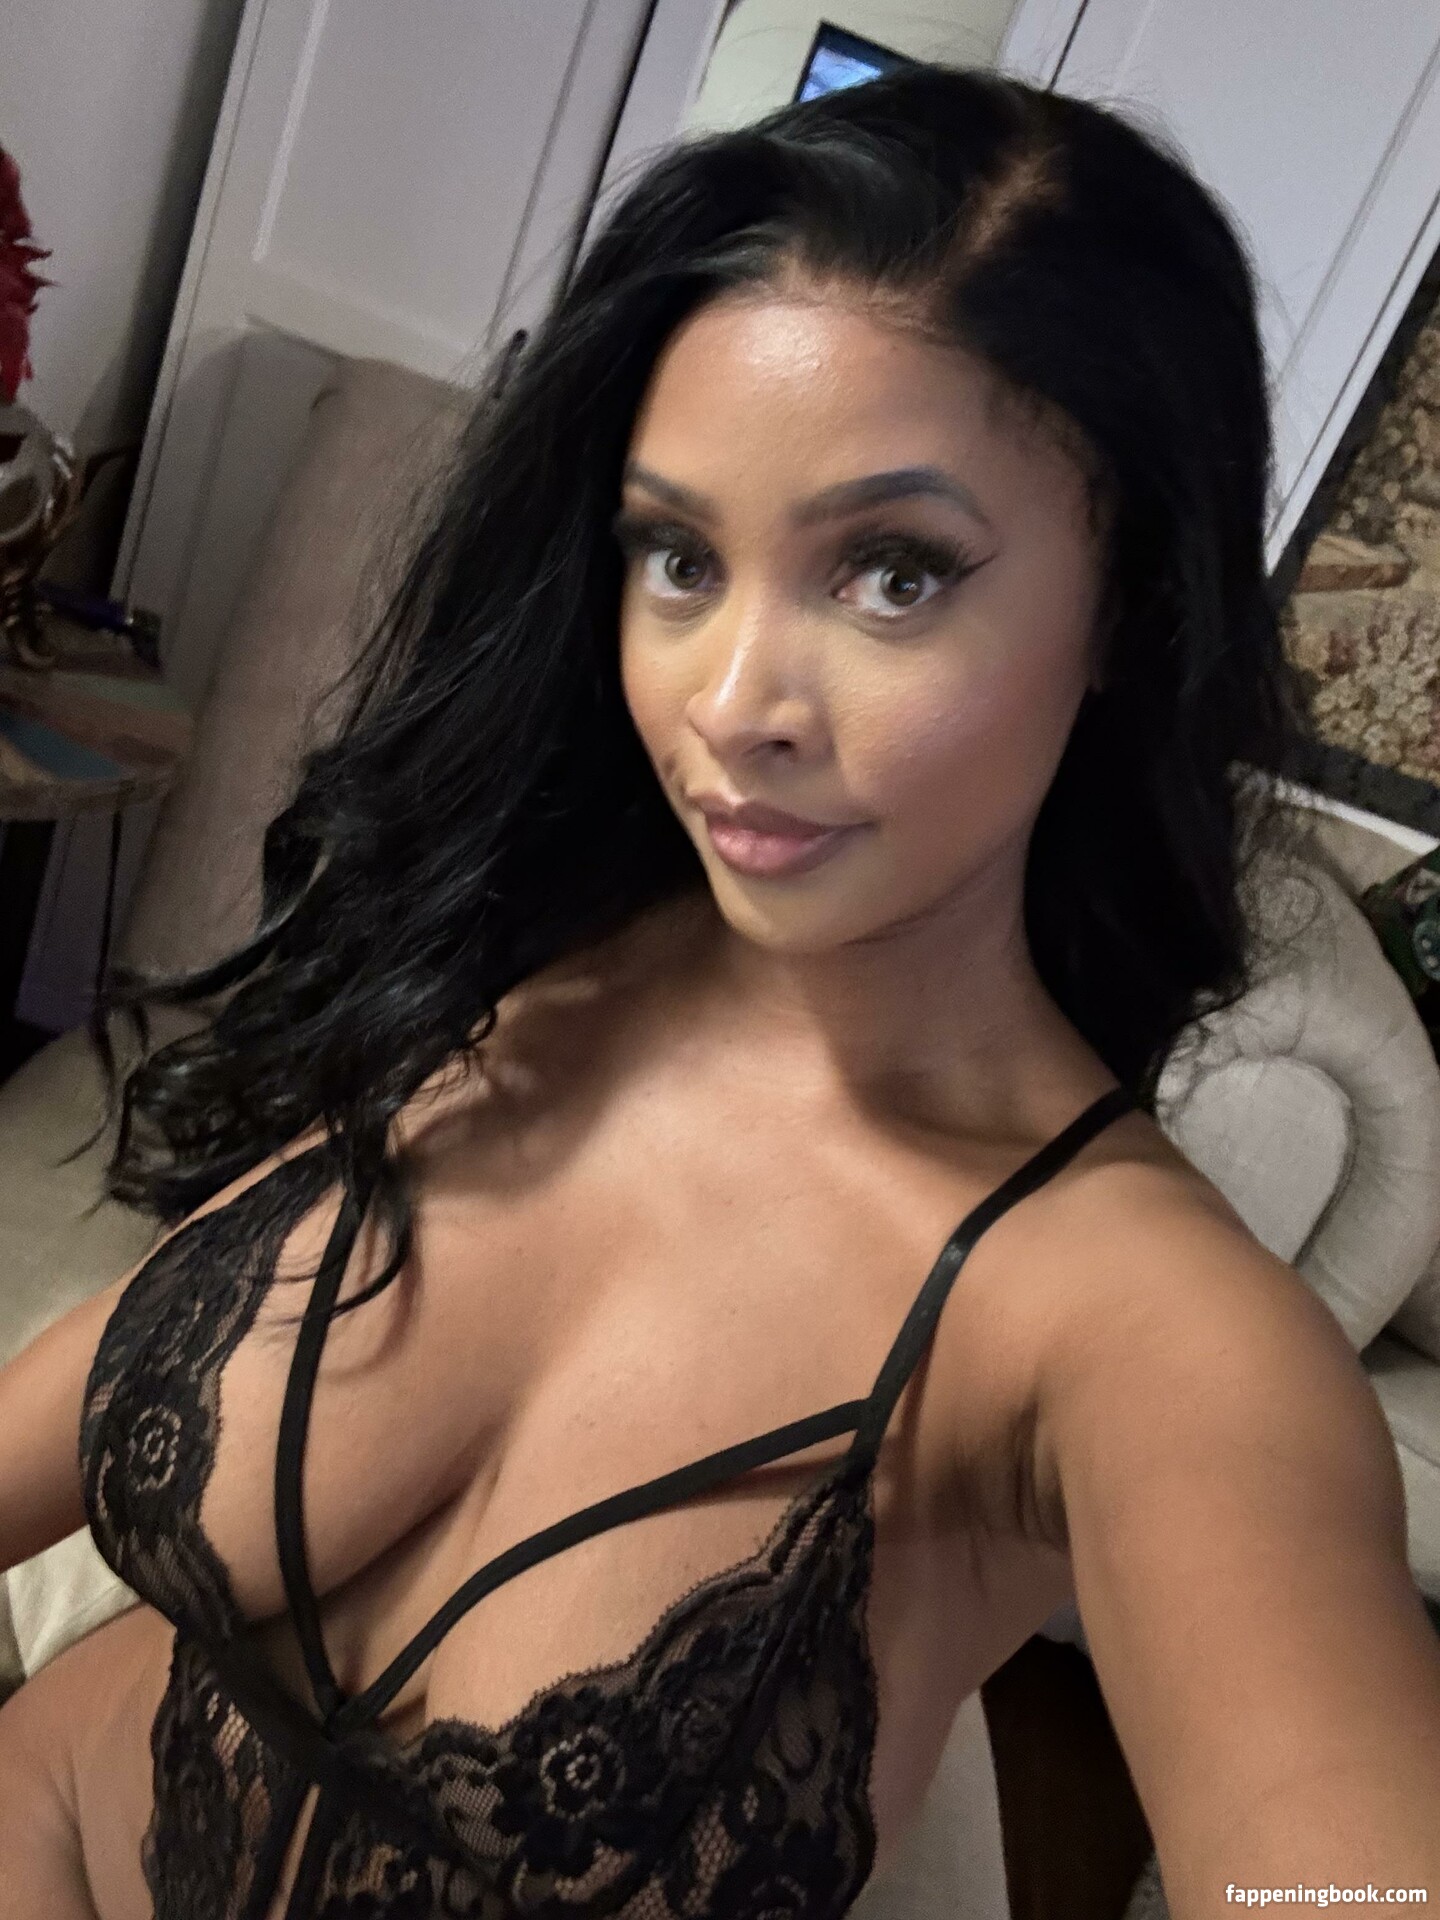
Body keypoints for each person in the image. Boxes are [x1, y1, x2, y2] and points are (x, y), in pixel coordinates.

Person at [0, 59, 1435, 1920]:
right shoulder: (517, 949)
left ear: (1133, 610)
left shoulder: (1132, 1331)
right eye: (679, 556)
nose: (729, 700)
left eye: (895, 575)